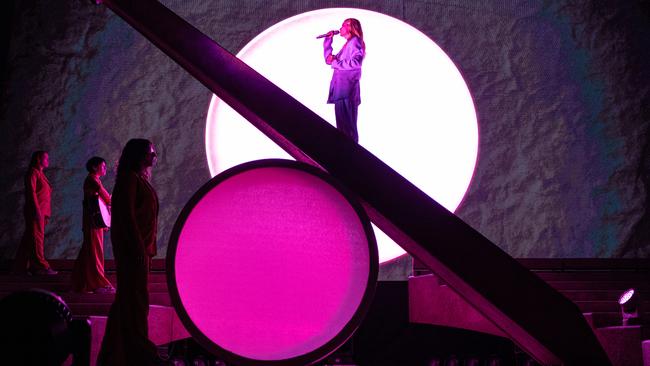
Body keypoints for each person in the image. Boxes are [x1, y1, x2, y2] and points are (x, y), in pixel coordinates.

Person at [97, 139, 160, 366]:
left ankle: (117, 354)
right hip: (135, 252)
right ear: (139, 155)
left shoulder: (137, 179)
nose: (154, 156)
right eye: (151, 152)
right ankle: (139, 351)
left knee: (128, 301)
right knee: (135, 300)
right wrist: (138, 248)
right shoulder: (129, 180)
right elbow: (126, 217)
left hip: (141, 250)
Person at [71, 157, 114, 294]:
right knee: (95, 252)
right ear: (95, 167)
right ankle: (97, 284)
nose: (105, 169)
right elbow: (106, 197)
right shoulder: (93, 180)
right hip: (93, 222)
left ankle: (80, 283)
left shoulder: (94, 180)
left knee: (88, 251)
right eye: (103, 166)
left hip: (94, 221)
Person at [13, 151, 57, 275]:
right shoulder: (33, 172)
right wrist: (37, 210)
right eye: (45, 158)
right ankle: (42, 266)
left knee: (29, 238)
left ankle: (21, 267)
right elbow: (31, 192)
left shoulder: (40, 174)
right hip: (36, 211)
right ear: (38, 159)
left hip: (42, 212)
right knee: (37, 239)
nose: (48, 160)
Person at [323, 18, 365, 143]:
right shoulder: (347, 44)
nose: (340, 28)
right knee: (342, 131)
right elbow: (330, 61)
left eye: (343, 26)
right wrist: (328, 41)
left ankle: (353, 156)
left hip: (347, 91)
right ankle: (346, 155)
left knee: (348, 130)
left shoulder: (355, 41)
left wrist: (335, 62)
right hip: (341, 91)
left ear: (351, 27)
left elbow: (356, 62)